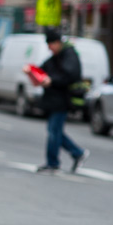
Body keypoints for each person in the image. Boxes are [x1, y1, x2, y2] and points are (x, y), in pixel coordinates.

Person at [24, 28, 89, 173]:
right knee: (55, 130)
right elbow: (44, 69)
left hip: (63, 99)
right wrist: (32, 71)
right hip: (55, 99)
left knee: (54, 131)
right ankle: (77, 153)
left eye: (51, 44)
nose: (49, 48)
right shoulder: (59, 55)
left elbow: (69, 76)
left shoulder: (69, 55)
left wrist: (51, 81)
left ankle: (54, 162)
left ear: (58, 42)